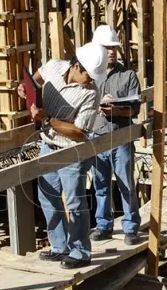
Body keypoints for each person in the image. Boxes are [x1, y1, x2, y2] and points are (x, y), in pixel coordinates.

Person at [18, 42, 108, 269]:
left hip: (72, 151)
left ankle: (80, 251)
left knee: (75, 202)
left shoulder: (91, 93)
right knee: (47, 197)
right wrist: (25, 88)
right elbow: (35, 79)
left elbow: (79, 132)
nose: (92, 79)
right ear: (77, 66)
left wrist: (47, 119)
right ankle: (60, 247)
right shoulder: (53, 67)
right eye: (89, 75)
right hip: (48, 146)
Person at [89, 25, 142, 245]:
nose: (111, 51)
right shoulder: (90, 75)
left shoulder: (128, 76)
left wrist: (115, 110)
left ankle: (130, 227)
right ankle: (103, 225)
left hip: (120, 137)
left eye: (114, 47)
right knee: (100, 185)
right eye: (106, 47)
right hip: (96, 137)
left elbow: (134, 110)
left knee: (126, 183)